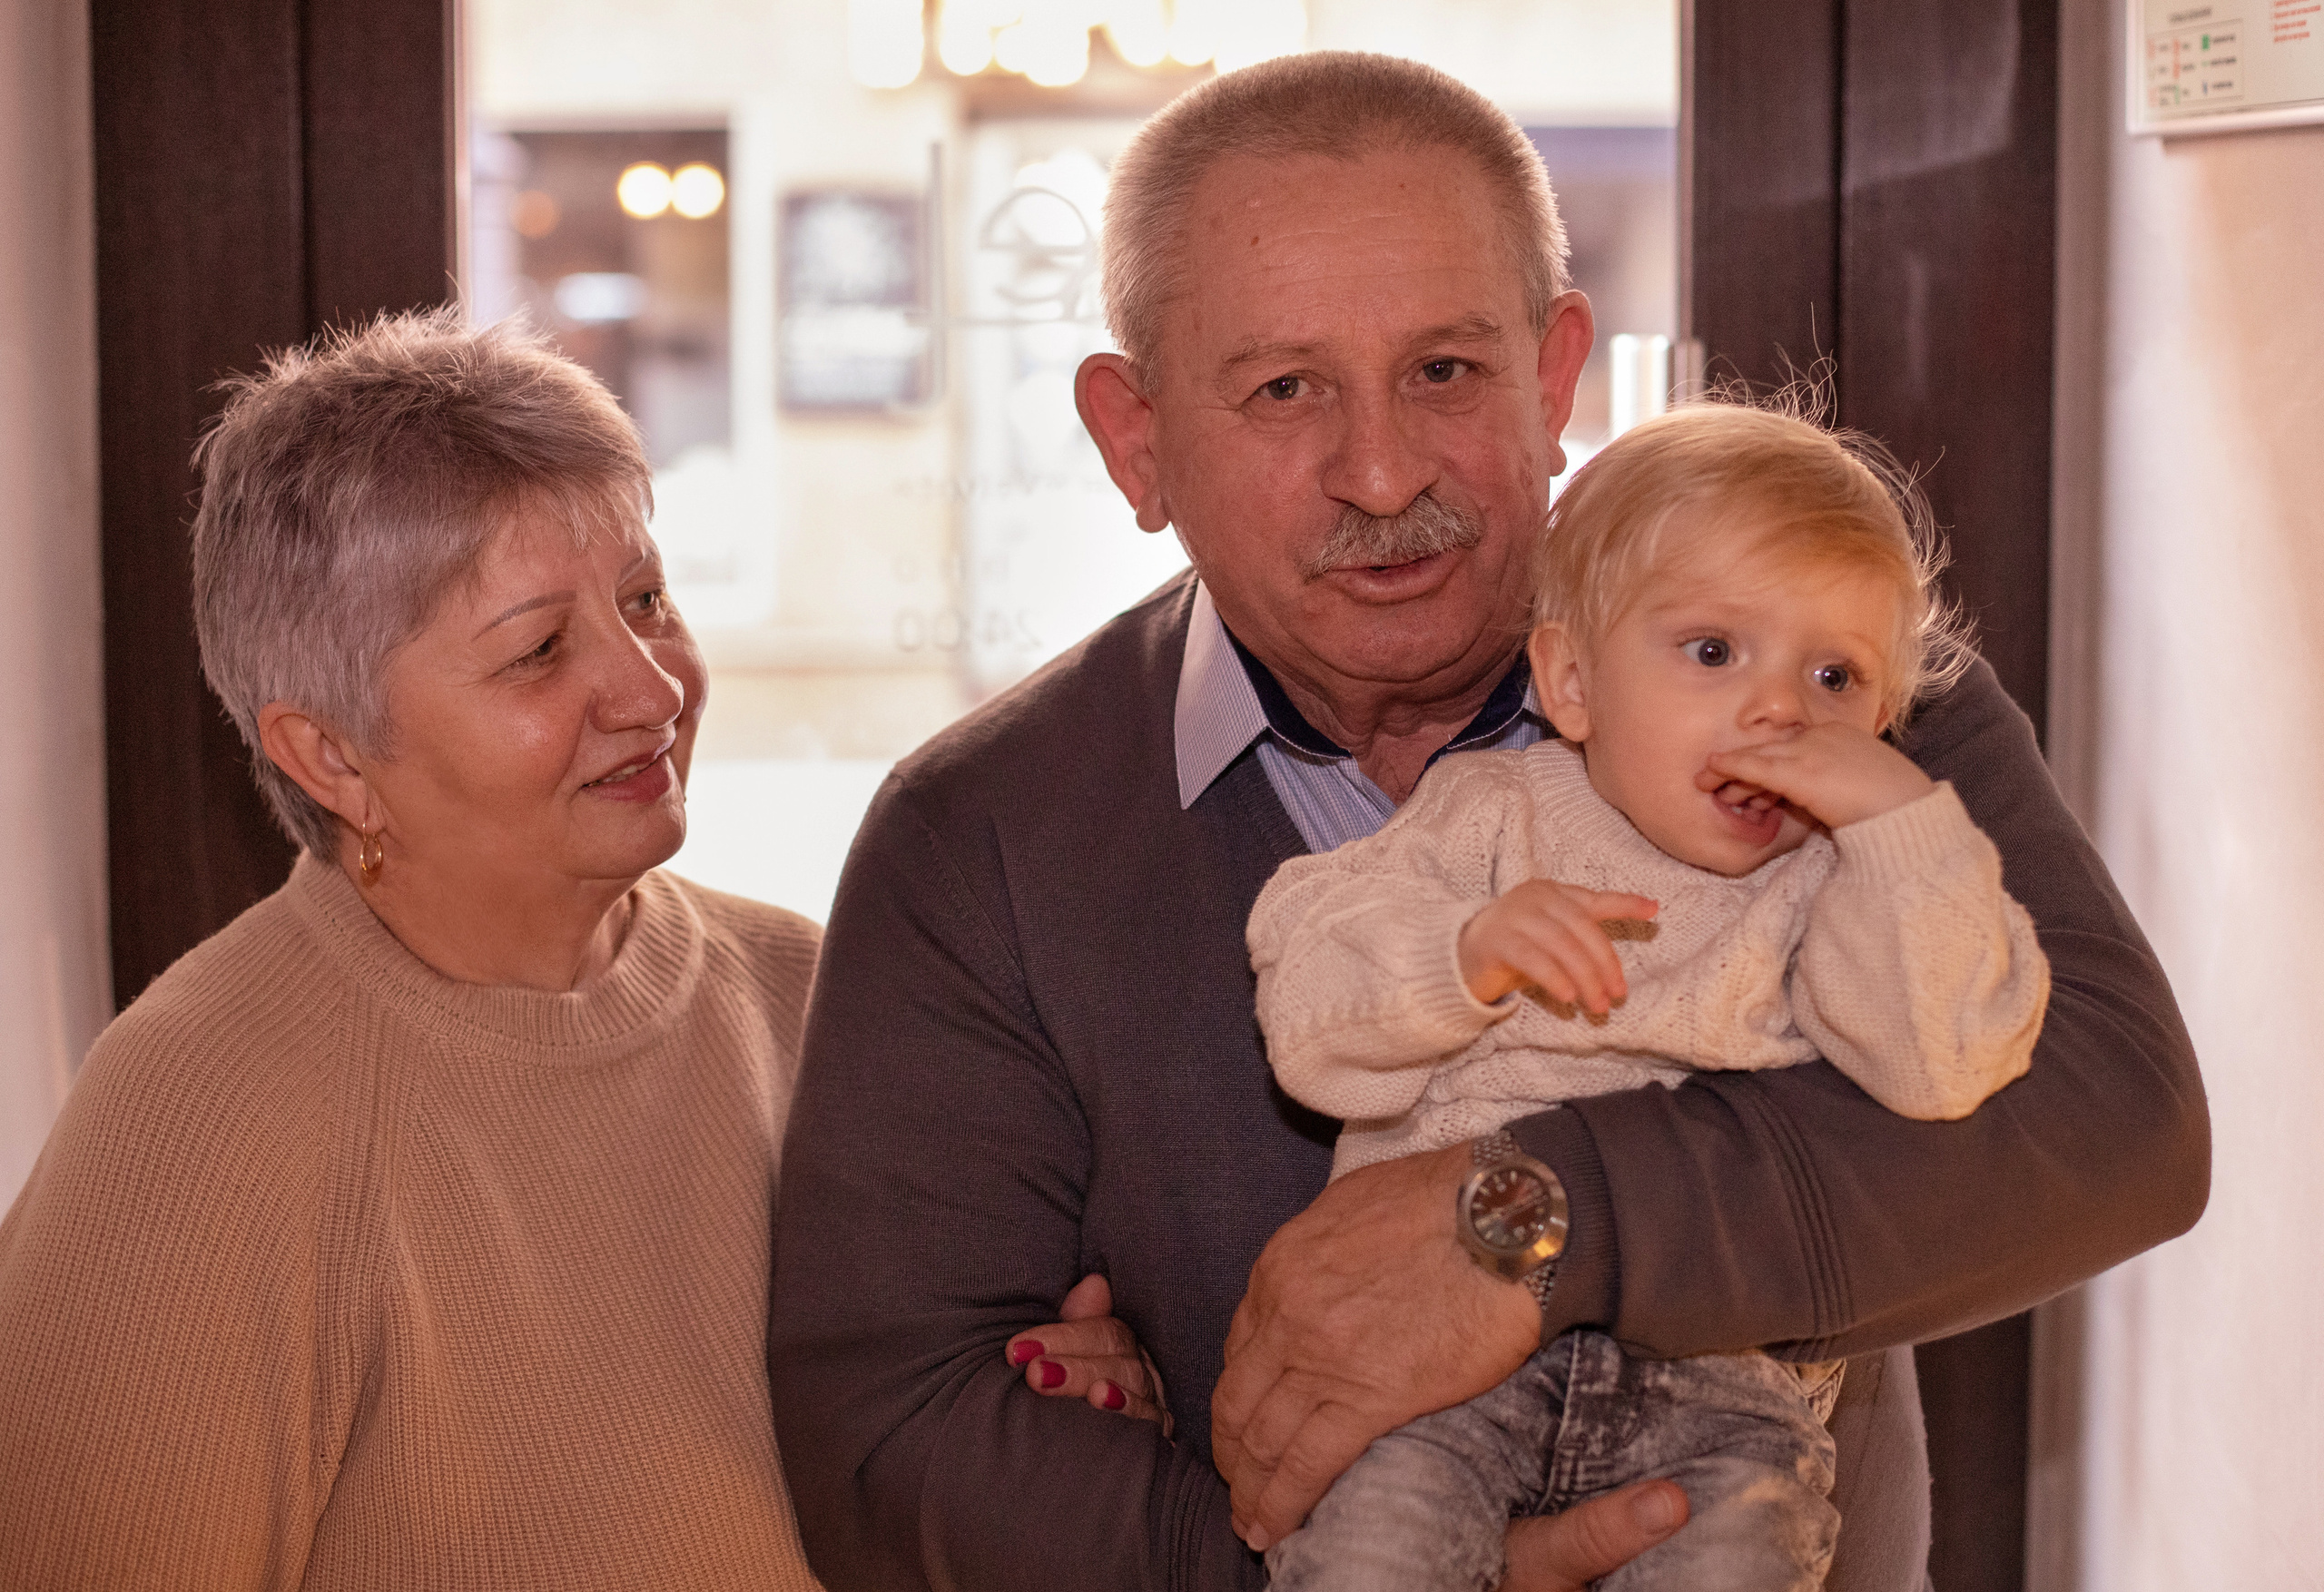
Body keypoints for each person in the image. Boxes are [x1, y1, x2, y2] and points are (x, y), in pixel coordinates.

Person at [768, 52, 2206, 1592]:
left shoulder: (1820, 696)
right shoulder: (980, 834)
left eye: (1446, 371)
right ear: (1135, 437)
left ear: (1556, 373)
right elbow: (893, 1423)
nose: (1383, 472)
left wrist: (1532, 1222)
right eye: (1283, 388)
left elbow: (2110, 1122)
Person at [0, 312, 824, 1590]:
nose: (653, 688)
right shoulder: (189, 1122)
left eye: (646, 598)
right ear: (331, 757)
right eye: (542, 648)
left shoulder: (808, 991)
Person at [1248, 399, 2050, 1592]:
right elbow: (1309, 1014)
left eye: (1834, 675)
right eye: (1715, 650)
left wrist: (1901, 829)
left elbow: (1943, 1063)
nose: (1778, 707)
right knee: (1372, 1550)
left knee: (1750, 1543)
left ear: (1883, 722)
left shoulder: (1833, 885)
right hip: (1435, 1373)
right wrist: (1466, 953)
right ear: (1572, 680)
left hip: (1718, 1381)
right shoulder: (1489, 814)